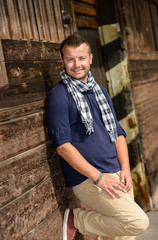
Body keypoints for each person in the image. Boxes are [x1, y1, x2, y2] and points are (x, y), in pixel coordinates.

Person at [45, 32, 149, 240]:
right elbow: (63, 146)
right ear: (62, 60)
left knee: (124, 236)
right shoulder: (59, 96)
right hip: (90, 179)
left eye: (81, 58)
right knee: (138, 222)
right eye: (70, 59)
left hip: (117, 172)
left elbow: (118, 133)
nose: (76, 64)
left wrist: (126, 168)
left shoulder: (99, 91)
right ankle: (78, 220)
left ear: (90, 58)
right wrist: (98, 177)